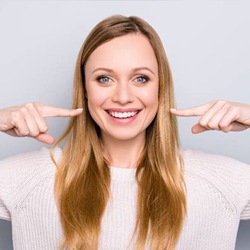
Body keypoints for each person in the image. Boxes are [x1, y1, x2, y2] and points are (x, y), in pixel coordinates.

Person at [0, 15, 250, 250]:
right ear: (85, 89)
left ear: (160, 87)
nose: (122, 97)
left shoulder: (221, 182)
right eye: (104, 79)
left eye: (140, 78)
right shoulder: (27, 179)